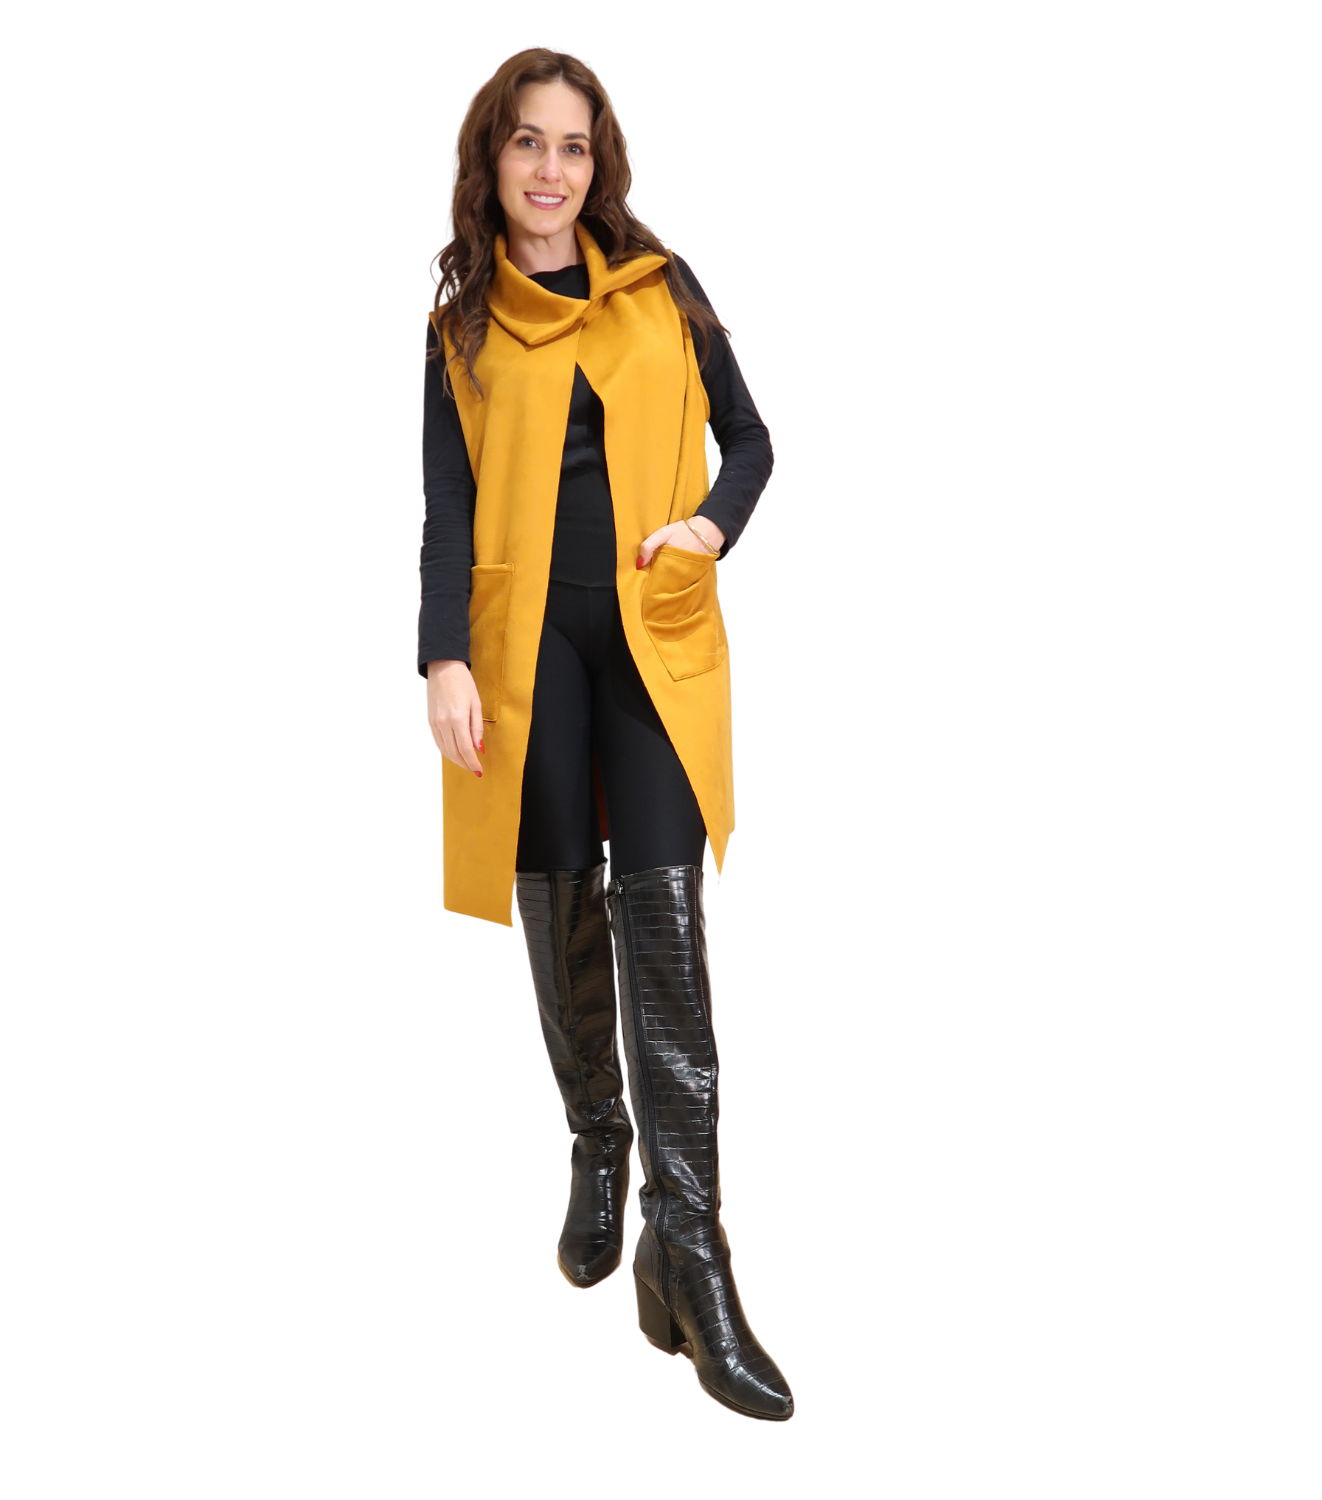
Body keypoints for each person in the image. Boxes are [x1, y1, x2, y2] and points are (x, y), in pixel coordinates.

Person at [418, 48, 792, 1422]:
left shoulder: (660, 289)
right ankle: (597, 1136)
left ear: (599, 164)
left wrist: (710, 527)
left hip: (652, 636)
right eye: (528, 142)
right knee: (559, 900)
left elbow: (751, 441)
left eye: (573, 146)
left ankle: (688, 1251)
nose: (551, 169)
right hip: (528, 654)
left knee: (666, 925)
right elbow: (447, 512)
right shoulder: (463, 328)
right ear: (494, 158)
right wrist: (444, 659)